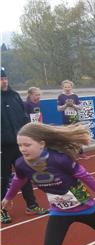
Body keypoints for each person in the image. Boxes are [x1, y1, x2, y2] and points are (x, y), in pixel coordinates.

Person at [1, 66, 47, 224]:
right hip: (2, 148)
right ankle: (2, 210)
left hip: (19, 146)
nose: (4, 81)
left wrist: (30, 136)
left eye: (5, 78)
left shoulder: (14, 96)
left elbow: (23, 118)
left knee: (25, 175)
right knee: (3, 179)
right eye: (1, 79)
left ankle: (32, 205)